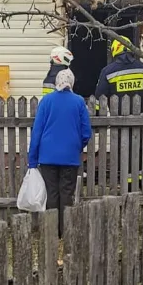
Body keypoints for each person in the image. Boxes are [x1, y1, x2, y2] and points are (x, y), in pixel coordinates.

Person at [27, 69, 93, 238]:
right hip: (70, 157)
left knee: (52, 192)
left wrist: (32, 160)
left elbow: (37, 131)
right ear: (72, 82)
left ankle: (51, 231)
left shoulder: (46, 101)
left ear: (57, 82)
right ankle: (66, 231)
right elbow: (86, 132)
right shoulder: (79, 102)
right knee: (66, 193)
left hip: (47, 156)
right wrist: (76, 146)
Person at [95, 35, 143, 104]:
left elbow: (99, 97)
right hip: (141, 114)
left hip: (116, 113)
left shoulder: (107, 72)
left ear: (114, 50)